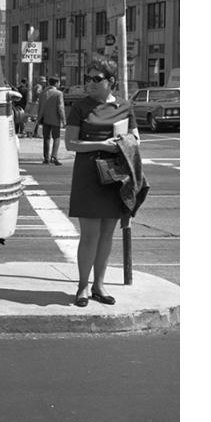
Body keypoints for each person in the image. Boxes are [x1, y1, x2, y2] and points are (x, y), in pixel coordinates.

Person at [64, 59, 139, 307]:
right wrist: (101, 144)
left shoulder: (124, 106)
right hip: (89, 174)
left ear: (111, 81)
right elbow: (70, 144)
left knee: (107, 234)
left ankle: (99, 285)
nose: (90, 83)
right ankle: (82, 286)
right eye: (88, 78)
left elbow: (136, 138)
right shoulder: (81, 107)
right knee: (89, 235)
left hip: (115, 175)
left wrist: (125, 141)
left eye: (96, 79)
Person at [38, 76, 66, 166]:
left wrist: (39, 118)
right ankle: (54, 156)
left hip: (45, 118)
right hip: (55, 119)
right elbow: (60, 107)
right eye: (59, 82)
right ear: (56, 83)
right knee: (56, 137)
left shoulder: (43, 92)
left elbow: (39, 106)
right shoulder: (59, 93)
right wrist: (64, 120)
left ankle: (46, 158)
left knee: (46, 138)